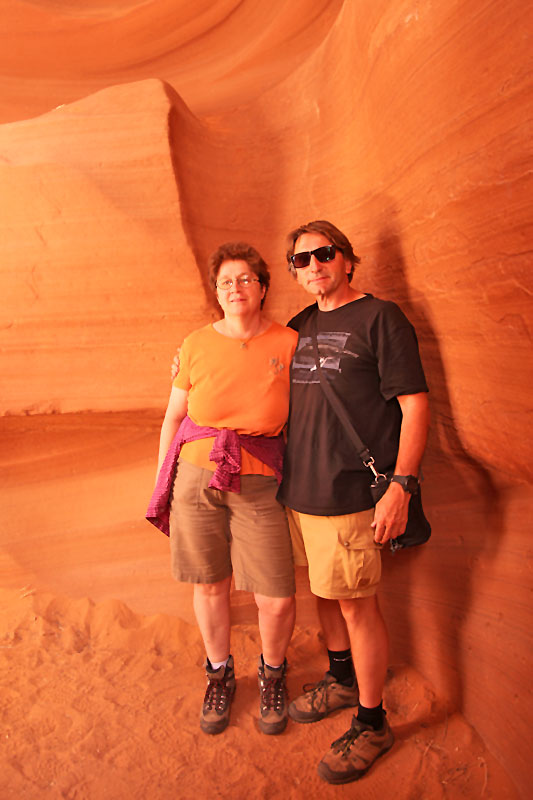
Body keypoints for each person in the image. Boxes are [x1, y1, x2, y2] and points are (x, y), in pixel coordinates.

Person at [276, 220, 430, 784]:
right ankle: (341, 679)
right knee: (325, 591)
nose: (313, 264)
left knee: (356, 605)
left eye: (324, 254)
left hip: (347, 494)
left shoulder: (381, 318)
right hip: (301, 490)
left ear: (347, 260)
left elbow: (415, 407)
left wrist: (401, 485)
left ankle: (372, 721)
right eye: (302, 259)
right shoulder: (299, 325)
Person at [147, 242, 298, 737]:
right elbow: (174, 418)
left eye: (245, 279)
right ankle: (219, 673)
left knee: (275, 595)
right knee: (210, 584)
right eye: (226, 282)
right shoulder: (194, 344)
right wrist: (163, 480)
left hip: (258, 479)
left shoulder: (289, 343)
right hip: (197, 474)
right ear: (217, 292)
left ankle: (272, 673)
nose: (235, 289)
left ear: (263, 287)